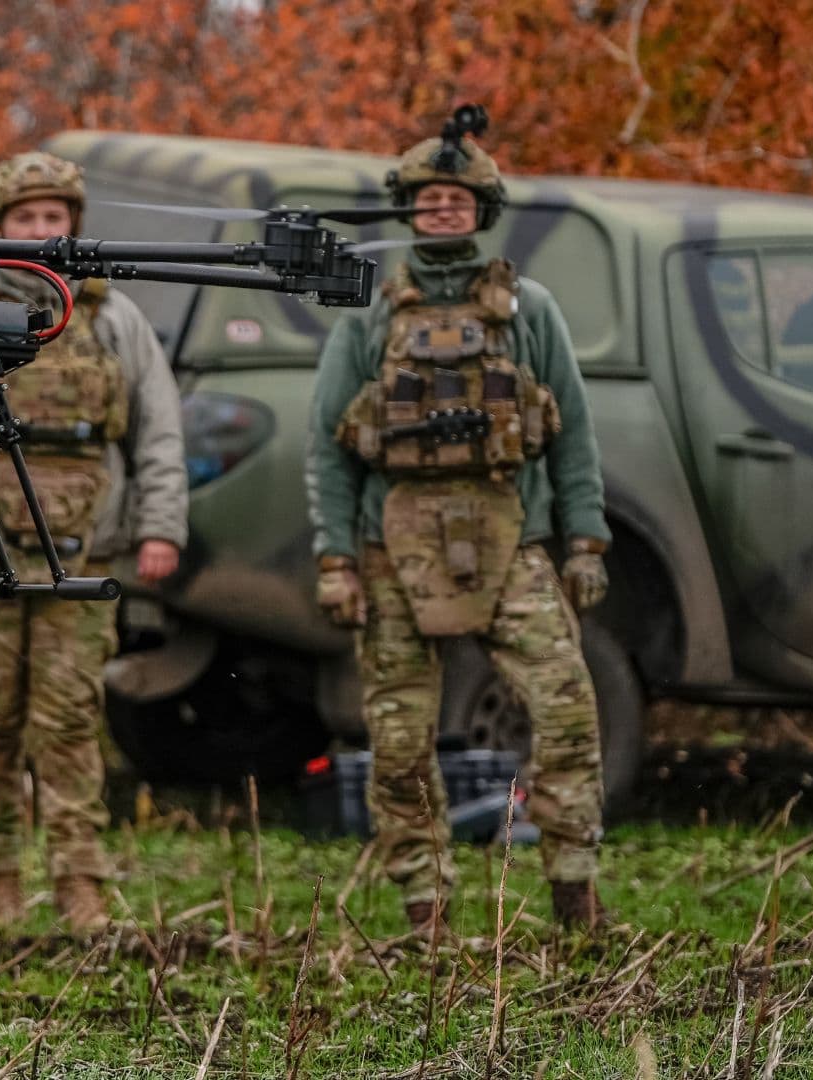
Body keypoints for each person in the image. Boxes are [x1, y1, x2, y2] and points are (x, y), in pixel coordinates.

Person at [306, 111, 611, 935]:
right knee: (400, 739)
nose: (444, 210)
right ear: (408, 209)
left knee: (568, 708)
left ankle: (574, 893)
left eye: (459, 198)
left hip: (511, 538)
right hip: (392, 548)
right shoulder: (370, 314)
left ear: (484, 207)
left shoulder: (531, 309)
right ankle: (425, 908)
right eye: (430, 198)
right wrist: (336, 559)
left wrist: (586, 540)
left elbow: (574, 430)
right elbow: (329, 446)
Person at [0, 151, 188, 934]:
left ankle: (80, 882)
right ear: (0, 225)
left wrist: (160, 527)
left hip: (81, 562)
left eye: (55, 218)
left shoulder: (112, 318)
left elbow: (158, 432)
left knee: (71, 720)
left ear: (73, 225)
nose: (42, 232)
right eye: (27, 219)